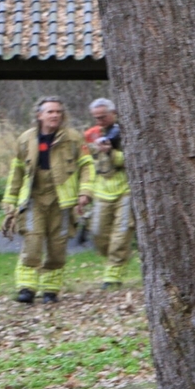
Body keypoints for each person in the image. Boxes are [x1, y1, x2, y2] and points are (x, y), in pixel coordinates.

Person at [2, 96, 93, 304]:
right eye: (50, 112)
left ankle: (51, 290)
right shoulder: (26, 139)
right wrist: (10, 199)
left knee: (57, 247)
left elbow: (87, 165)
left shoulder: (73, 139)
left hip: (62, 202)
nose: (55, 115)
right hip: (34, 199)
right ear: (39, 115)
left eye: (58, 112)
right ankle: (26, 288)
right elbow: (16, 171)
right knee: (32, 243)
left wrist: (85, 191)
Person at [85, 98, 134, 289]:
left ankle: (113, 275)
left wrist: (111, 152)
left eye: (103, 117)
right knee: (98, 232)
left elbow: (134, 159)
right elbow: (87, 164)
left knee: (120, 234)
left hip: (125, 190)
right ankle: (117, 257)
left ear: (113, 113)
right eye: (96, 118)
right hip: (101, 191)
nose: (100, 121)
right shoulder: (91, 135)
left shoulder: (127, 130)